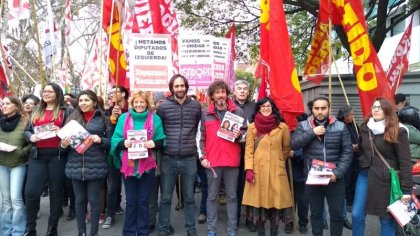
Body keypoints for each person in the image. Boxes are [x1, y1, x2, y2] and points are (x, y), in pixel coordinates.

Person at [291, 97, 352, 236]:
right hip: (314, 177)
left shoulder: (341, 126)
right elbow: (294, 144)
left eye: (323, 108)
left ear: (329, 109)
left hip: (335, 177)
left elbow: (347, 153)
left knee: (337, 215)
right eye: (316, 108)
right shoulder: (303, 125)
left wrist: (338, 173)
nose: (320, 111)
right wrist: (313, 132)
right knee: (316, 214)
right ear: (311, 109)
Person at [352, 97, 413, 236]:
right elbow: (362, 147)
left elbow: (405, 162)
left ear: (387, 110)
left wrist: (407, 190)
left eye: (379, 107)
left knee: (386, 219)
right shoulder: (365, 126)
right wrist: (359, 153)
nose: (375, 109)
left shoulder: (398, 130)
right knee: (356, 215)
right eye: (373, 107)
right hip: (365, 175)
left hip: (386, 179)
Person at [111, 90, 166, 235]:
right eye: (136, 102)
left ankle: (143, 231)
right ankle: (128, 232)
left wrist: (154, 143)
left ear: (147, 103)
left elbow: (162, 140)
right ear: (132, 103)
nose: (139, 104)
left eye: (142, 102)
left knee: (143, 201)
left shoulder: (155, 119)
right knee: (131, 202)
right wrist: (124, 143)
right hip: (128, 166)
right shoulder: (123, 118)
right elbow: (115, 139)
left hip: (147, 167)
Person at [24, 83, 74, 236]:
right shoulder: (35, 110)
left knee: (56, 191)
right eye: (44, 91)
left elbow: (72, 132)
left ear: (57, 93)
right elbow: (27, 131)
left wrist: (62, 132)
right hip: (38, 155)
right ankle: (30, 228)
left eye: (49, 91)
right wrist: (31, 136)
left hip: (58, 156)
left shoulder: (67, 110)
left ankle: (52, 228)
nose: (46, 93)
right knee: (31, 192)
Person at [60, 90, 111, 236]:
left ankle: (93, 232)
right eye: (81, 100)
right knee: (80, 201)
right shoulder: (72, 119)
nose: (83, 103)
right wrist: (63, 144)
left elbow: (111, 142)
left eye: (87, 100)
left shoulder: (103, 119)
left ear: (94, 102)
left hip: (95, 166)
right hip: (75, 166)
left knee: (94, 200)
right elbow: (62, 146)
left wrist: (101, 140)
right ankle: (81, 232)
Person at [156, 74, 202, 236]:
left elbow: (199, 129)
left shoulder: (196, 106)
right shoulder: (163, 107)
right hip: (168, 158)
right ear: (172, 88)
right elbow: (157, 130)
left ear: (186, 87)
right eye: (177, 86)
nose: (180, 89)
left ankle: (191, 229)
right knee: (166, 197)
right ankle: (163, 229)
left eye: (182, 85)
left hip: (189, 158)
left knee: (189, 198)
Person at [199, 80, 245, 236]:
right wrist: (203, 157)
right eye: (217, 92)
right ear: (212, 95)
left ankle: (232, 229)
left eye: (223, 92)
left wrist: (240, 136)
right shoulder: (205, 113)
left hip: (232, 161)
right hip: (212, 162)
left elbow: (246, 136)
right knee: (211, 197)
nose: (220, 95)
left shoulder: (237, 111)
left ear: (227, 94)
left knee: (232, 196)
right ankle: (211, 229)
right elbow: (201, 138)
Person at [242, 97, 293, 236]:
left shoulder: (283, 127)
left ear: (273, 108)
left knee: (275, 207)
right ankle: (261, 233)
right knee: (260, 206)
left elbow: (286, 148)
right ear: (258, 108)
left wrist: (278, 161)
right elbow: (249, 151)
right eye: (263, 106)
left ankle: (274, 233)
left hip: (277, 172)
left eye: (268, 106)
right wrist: (249, 170)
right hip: (258, 173)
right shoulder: (252, 127)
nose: (266, 108)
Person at [0, 96, 32, 236]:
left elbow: (33, 141)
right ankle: (6, 231)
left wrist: (21, 152)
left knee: (15, 198)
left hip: (18, 164)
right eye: (3, 104)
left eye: (7, 103)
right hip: (2, 164)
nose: (4, 106)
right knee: (5, 200)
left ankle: (19, 231)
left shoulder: (25, 122)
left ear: (16, 106)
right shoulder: (0, 121)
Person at [102, 86, 129, 229]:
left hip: (130, 153)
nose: (111, 95)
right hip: (114, 154)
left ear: (123, 94)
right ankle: (109, 214)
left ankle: (133, 214)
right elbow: (108, 135)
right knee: (112, 186)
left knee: (130, 185)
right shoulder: (107, 112)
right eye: (110, 93)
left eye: (115, 92)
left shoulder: (132, 110)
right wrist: (112, 120)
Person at [233, 80, 256, 231]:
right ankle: (234, 218)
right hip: (234, 151)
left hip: (252, 153)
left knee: (250, 186)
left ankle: (249, 217)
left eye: (244, 89)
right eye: (239, 89)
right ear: (234, 92)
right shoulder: (229, 107)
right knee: (234, 187)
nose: (242, 91)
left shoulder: (255, 107)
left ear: (248, 92)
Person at [284, 114, 309, 234]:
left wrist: (296, 154)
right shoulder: (286, 131)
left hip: (302, 172)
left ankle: (303, 223)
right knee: (288, 200)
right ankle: (289, 222)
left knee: (303, 200)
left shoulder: (307, 132)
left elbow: (309, 151)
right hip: (287, 171)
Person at [336, 105, 360, 229]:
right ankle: (346, 206)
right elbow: (339, 144)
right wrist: (352, 147)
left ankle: (349, 202)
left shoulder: (352, 124)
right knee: (345, 183)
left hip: (354, 160)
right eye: (351, 114)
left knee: (352, 180)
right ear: (345, 116)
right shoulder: (339, 125)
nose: (353, 117)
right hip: (345, 160)